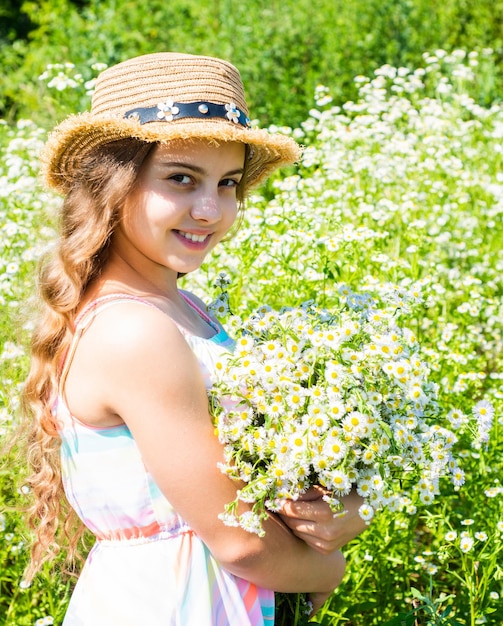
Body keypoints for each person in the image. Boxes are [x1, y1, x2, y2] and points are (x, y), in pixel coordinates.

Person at [20, 52, 368, 625]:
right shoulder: (135, 331)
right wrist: (327, 570)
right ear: (114, 184)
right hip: (173, 604)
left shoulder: (182, 308)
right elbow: (240, 541)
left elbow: (249, 471)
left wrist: (339, 508)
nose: (210, 210)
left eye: (227, 184)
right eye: (181, 179)